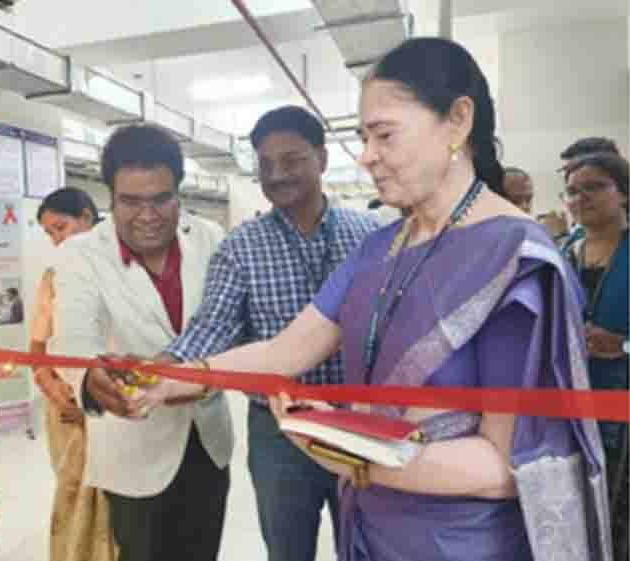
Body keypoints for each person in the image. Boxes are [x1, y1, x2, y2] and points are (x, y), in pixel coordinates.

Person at [131, 37, 611, 561]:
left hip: (458, 544)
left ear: (458, 121)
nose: (366, 157)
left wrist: (348, 453)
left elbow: (505, 467)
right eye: (363, 137)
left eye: (384, 135)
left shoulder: (516, 260)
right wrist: (171, 378)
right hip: (370, 529)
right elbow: (284, 352)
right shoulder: (379, 248)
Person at [91, 105, 380, 561]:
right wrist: (161, 372)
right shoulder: (241, 247)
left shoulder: (372, 237)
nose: (278, 174)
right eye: (266, 164)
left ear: (322, 159)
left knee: (370, 543)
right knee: (286, 549)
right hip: (279, 433)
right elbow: (213, 326)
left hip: (360, 420)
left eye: (292, 160)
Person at [50, 124, 233, 561]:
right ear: (110, 198)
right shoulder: (81, 254)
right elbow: (72, 336)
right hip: (134, 447)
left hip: (208, 440)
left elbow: (228, 323)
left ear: (178, 194)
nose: (147, 215)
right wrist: (91, 378)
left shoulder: (209, 238)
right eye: (131, 201)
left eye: (161, 199)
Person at [29, 186, 114, 561]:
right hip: (64, 408)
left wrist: (92, 401)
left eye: (61, 227)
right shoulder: (53, 277)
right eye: (49, 233)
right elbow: (37, 348)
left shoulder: (122, 270)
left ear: (87, 217)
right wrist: (54, 388)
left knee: (115, 500)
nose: (57, 240)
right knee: (73, 493)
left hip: (112, 404)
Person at [563, 152, 628, 561]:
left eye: (594, 187)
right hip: (571, 408)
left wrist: (624, 346)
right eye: (572, 191)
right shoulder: (563, 253)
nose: (580, 197)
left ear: (623, 193)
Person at [542, 137, 621, 246]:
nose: (570, 177)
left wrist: (560, 235)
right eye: (566, 171)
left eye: (591, 187)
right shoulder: (582, 226)